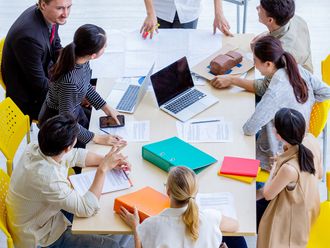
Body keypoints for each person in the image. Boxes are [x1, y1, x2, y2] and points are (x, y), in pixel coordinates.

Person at [6, 114, 131, 248]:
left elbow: (77, 155)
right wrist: (102, 169)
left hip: (40, 215)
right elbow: (87, 208)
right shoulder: (48, 179)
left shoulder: (39, 146)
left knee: (109, 220)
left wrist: (106, 161)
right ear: (67, 148)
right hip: (40, 236)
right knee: (112, 244)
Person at [242, 36, 330, 170]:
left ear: (268, 64)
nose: (254, 65)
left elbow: (249, 129)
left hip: (278, 154)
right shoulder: (297, 69)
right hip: (300, 137)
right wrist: (305, 99)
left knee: (238, 142)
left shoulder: (275, 92)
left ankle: (257, 187)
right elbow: (326, 92)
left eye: (255, 61)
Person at [38, 24, 125, 147]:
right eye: (104, 46)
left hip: (72, 111)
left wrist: (106, 107)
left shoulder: (81, 59)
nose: (106, 47)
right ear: (93, 55)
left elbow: (85, 85)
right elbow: (67, 121)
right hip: (58, 127)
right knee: (95, 146)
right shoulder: (70, 82)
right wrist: (97, 138)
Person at [119, 166, 248, 248]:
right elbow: (235, 226)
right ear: (195, 192)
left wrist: (136, 227)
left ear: (168, 191)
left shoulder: (151, 225)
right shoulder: (210, 217)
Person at [211, 0, 313, 96]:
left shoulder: (280, 53)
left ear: (270, 20)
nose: (257, 8)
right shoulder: (295, 19)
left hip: (293, 92)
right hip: (303, 74)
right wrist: (267, 35)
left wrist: (232, 80)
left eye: (260, 8)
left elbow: (265, 88)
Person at [256, 108, 322, 248]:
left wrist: (274, 169)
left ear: (278, 135)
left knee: (252, 206)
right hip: (311, 207)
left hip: (294, 219)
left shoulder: (289, 169)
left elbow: (267, 194)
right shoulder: (311, 140)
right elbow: (319, 173)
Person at [1, 0, 72, 121]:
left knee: (84, 86)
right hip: (30, 98)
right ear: (43, 5)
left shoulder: (49, 14)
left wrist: (73, 67)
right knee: (80, 115)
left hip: (45, 76)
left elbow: (55, 45)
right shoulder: (28, 37)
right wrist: (72, 95)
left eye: (69, 7)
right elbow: (39, 85)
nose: (65, 14)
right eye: (60, 8)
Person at [141, 0, 233, 39]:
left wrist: (219, 13)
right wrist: (150, 13)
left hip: (189, 10)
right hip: (160, 11)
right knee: (159, 50)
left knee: (182, 56)